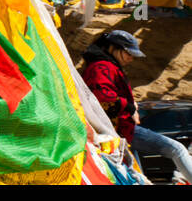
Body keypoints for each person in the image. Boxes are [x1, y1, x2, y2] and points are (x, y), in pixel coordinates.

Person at [82, 30, 192, 184]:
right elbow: (103, 97)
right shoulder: (102, 67)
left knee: (132, 171)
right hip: (120, 128)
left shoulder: (104, 66)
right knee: (177, 149)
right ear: (113, 48)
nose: (131, 58)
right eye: (128, 53)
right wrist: (130, 107)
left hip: (119, 130)